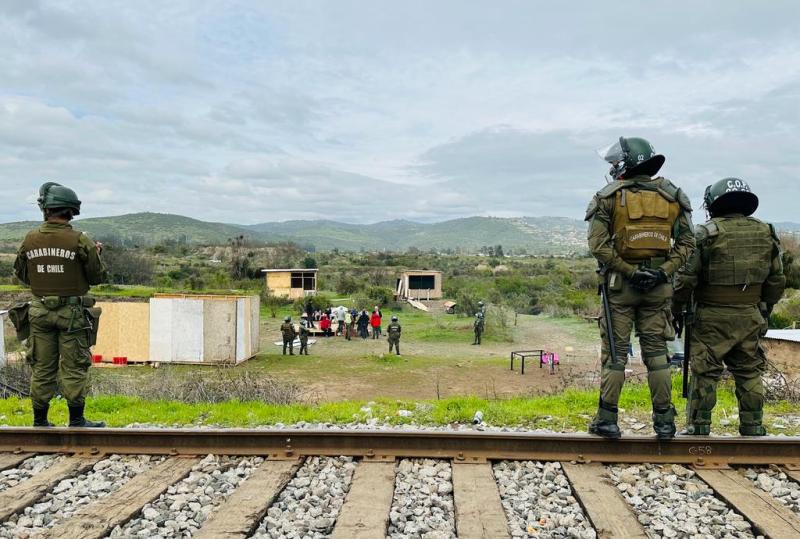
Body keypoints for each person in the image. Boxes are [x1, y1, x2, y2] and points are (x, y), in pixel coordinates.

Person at [585, 136, 695, 440]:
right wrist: (662, 273)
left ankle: (607, 420)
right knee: (658, 355)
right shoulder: (673, 197)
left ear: (626, 163)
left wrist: (629, 272)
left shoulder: (608, 196)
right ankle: (664, 423)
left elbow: (598, 247)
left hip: (620, 288)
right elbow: (687, 244)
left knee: (617, 356)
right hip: (658, 290)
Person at [672, 178, 785, 436]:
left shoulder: (706, 233)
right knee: (749, 371)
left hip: (712, 316)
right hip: (750, 314)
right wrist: (764, 309)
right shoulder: (766, 231)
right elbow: (776, 279)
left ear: (713, 204)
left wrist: (676, 309)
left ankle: (698, 426)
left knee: (705, 372)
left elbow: (686, 280)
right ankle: (753, 425)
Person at [12, 182, 107, 428]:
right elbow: (97, 277)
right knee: (74, 365)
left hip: (39, 311)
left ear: (46, 210)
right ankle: (76, 419)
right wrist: (96, 254)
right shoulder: (80, 240)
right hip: (71, 313)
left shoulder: (30, 239)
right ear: (70, 211)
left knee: (42, 367)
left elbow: (22, 275)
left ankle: (40, 421)